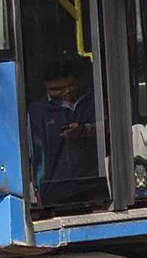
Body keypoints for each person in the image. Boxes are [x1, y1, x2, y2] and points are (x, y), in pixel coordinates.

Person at [29, 56, 103, 207]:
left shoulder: (96, 101)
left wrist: (86, 130)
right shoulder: (37, 112)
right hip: (54, 191)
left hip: (94, 186)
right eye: (57, 89)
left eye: (70, 86)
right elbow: (30, 156)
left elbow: (117, 130)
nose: (66, 92)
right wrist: (35, 191)